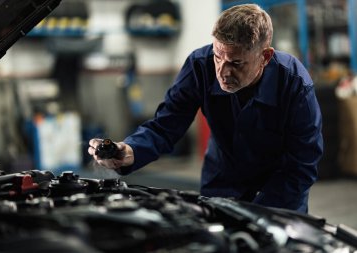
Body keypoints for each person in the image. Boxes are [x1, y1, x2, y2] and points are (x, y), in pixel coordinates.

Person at [88, 3, 323, 213]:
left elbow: (302, 164)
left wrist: (261, 215)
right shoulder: (200, 65)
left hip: (281, 190)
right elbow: (166, 125)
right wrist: (130, 151)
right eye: (218, 57)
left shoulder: (294, 84)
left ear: (265, 57)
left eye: (236, 62)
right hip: (222, 182)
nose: (222, 71)